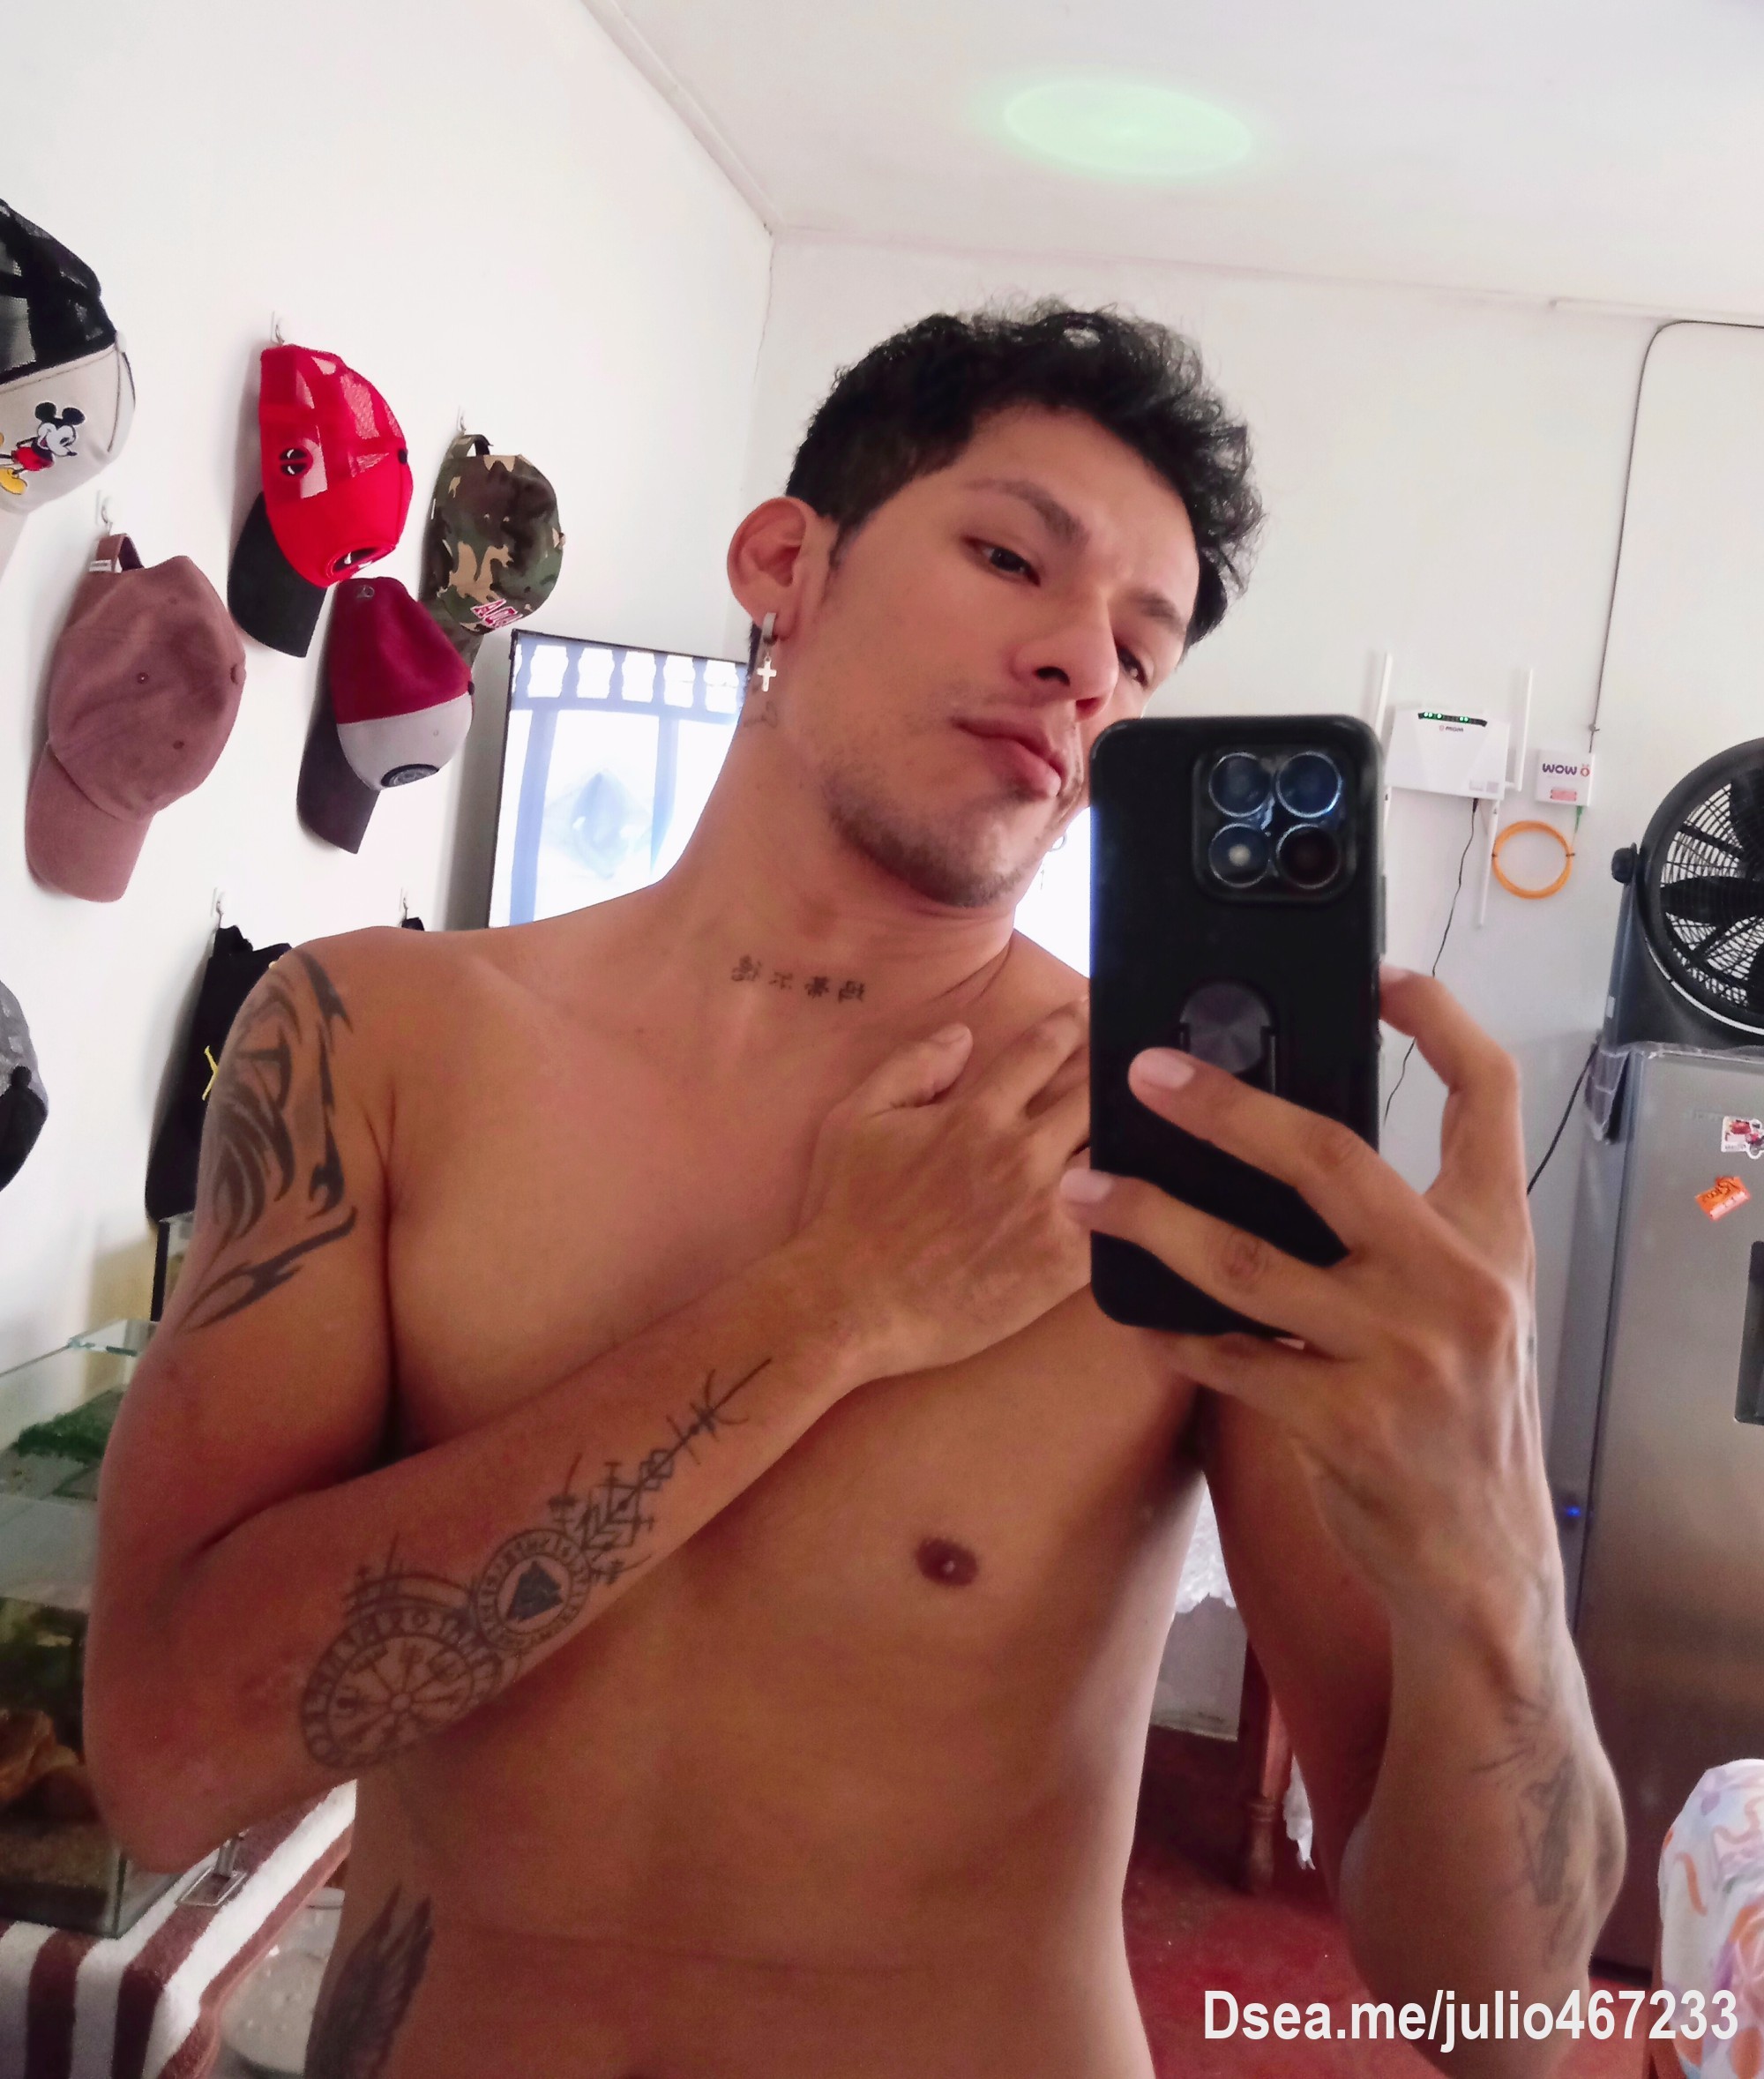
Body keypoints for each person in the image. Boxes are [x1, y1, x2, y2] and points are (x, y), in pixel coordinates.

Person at [87, 304, 1622, 2079]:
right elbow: (169, 1758)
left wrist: (1494, 1545)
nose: (1083, 662)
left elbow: (1499, 2020)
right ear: (782, 564)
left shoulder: (1175, 1153)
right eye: (1010, 558)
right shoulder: (375, 1038)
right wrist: (835, 1310)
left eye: (1141, 646)